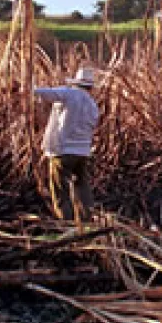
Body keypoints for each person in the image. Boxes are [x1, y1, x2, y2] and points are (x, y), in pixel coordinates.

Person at [34, 67, 100, 222]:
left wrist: (27, 88)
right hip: (82, 152)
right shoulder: (92, 105)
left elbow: (44, 93)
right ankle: (86, 218)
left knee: (59, 188)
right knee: (82, 184)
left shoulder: (70, 94)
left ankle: (65, 221)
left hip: (63, 150)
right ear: (90, 87)